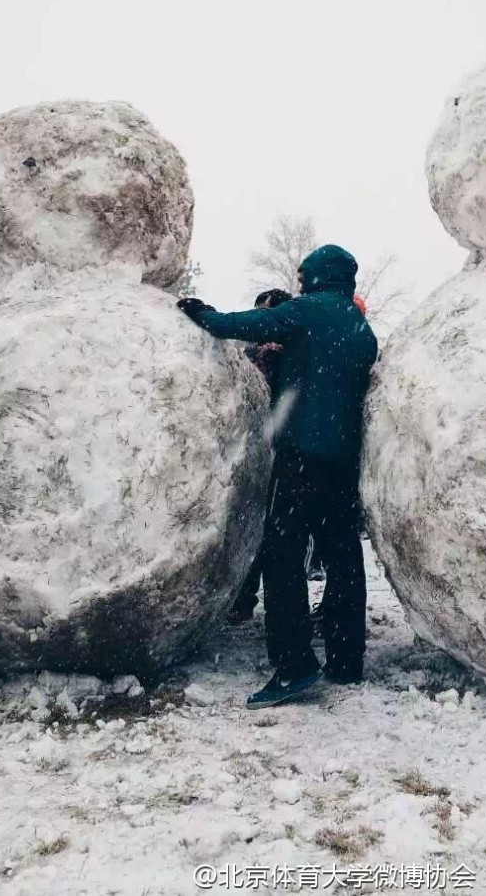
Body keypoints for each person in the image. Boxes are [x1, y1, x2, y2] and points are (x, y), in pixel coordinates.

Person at [179, 244, 377, 708]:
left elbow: (248, 325)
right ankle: (347, 660)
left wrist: (204, 313)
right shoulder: (359, 325)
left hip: (301, 457)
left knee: (282, 557)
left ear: (313, 277)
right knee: (344, 557)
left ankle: (293, 663)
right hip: (343, 463)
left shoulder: (307, 311)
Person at [228, 287, 292, 625]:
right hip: (252, 456)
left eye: (267, 312)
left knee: (277, 536)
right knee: (247, 528)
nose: (261, 318)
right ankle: (241, 598)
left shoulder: (292, 355)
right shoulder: (247, 355)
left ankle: (278, 608)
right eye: (258, 311)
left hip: (285, 456)